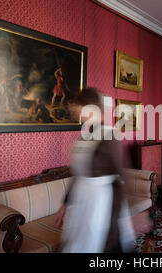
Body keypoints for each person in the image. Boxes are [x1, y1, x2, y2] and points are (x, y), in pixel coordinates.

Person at [54, 88, 152, 253]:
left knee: (97, 244)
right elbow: (78, 175)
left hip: (101, 203)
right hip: (80, 201)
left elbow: (123, 174)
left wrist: (131, 215)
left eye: (80, 106)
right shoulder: (83, 136)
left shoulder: (110, 135)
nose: (76, 110)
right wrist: (65, 204)